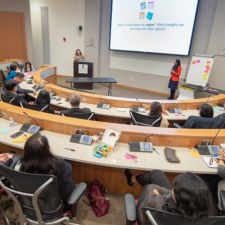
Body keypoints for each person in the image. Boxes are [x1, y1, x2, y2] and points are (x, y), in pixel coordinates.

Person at [125, 170, 215, 225]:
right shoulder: (209, 217)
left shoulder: (157, 203)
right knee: (157, 174)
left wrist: (158, 195)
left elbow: (142, 211)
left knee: (150, 186)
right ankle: (133, 178)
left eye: (174, 189)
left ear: (176, 198)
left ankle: (133, 179)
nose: (172, 189)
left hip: (150, 219)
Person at [14, 134, 76, 210]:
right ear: (47, 149)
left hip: (29, 205)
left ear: (26, 151)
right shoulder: (62, 166)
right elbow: (69, 190)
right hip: (55, 207)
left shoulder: (20, 166)